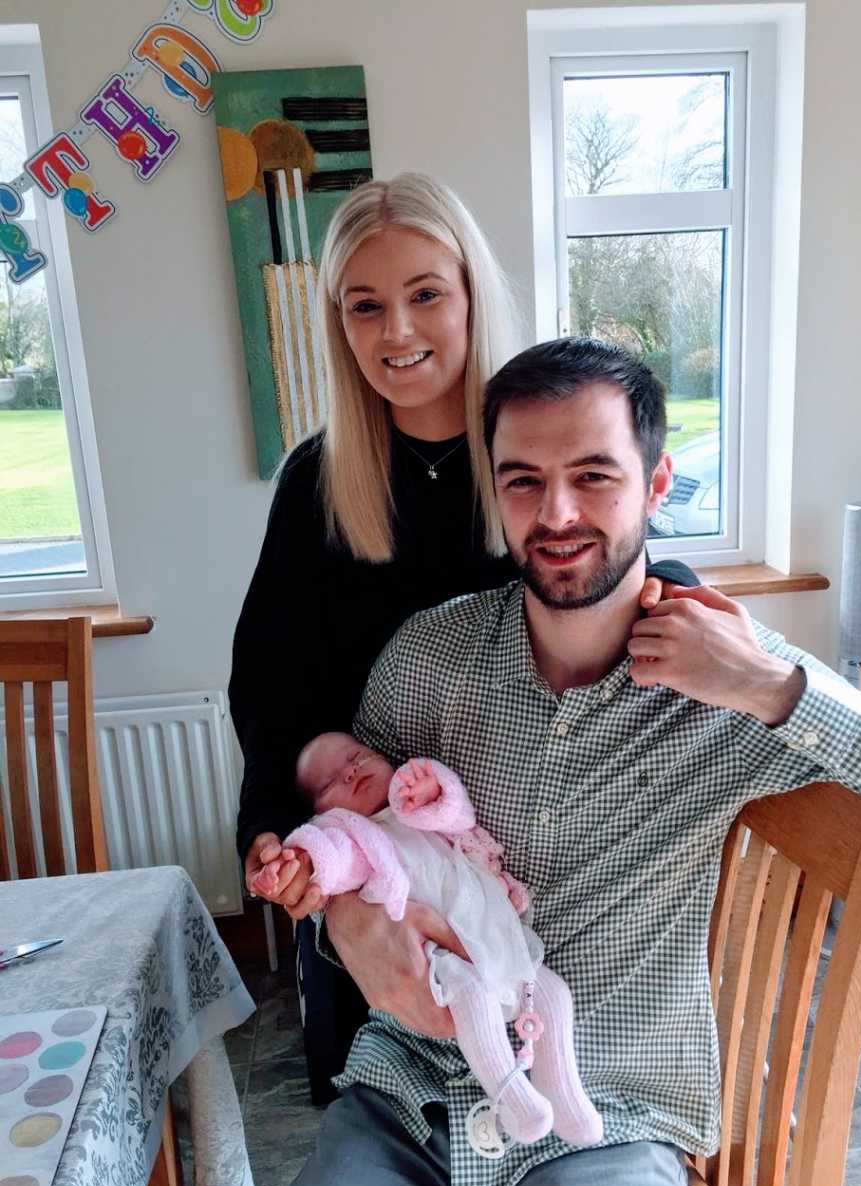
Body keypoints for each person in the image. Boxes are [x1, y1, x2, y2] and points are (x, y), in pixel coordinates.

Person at [288, 337, 861, 1186]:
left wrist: (765, 685)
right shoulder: (425, 660)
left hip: (607, 1119)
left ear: (655, 484)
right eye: (524, 480)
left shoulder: (728, 681)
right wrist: (338, 916)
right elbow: (347, 842)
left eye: (595, 475)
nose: (558, 512)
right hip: (408, 1102)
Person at [228, 174, 699, 1103]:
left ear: (473, 294)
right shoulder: (318, 483)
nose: (397, 332)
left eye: (425, 295)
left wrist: (688, 605)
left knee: (545, 1097)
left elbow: (631, 573)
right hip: (376, 874)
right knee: (389, 1125)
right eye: (366, 306)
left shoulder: (534, 452)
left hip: (539, 875)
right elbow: (268, 697)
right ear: (339, 324)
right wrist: (291, 858)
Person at [255, 733, 605, 1150]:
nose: (350, 772)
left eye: (357, 758)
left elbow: (460, 817)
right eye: (333, 782)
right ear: (322, 810)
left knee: (552, 994)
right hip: (438, 953)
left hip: (486, 927)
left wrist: (432, 790)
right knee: (473, 1002)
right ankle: (512, 1095)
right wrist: (296, 864)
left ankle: (564, 1094)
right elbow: (326, 858)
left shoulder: (411, 806)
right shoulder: (355, 836)